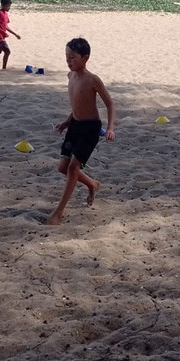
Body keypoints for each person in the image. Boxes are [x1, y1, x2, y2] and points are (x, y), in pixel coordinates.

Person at [49, 38, 115, 226]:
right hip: (75, 126)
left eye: (73, 58)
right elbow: (77, 105)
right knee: (63, 167)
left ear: (85, 58)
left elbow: (109, 104)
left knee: (72, 167)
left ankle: (58, 213)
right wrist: (67, 121)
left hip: (90, 128)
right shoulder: (70, 76)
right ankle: (92, 184)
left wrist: (110, 128)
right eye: (66, 57)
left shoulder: (93, 80)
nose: (69, 62)